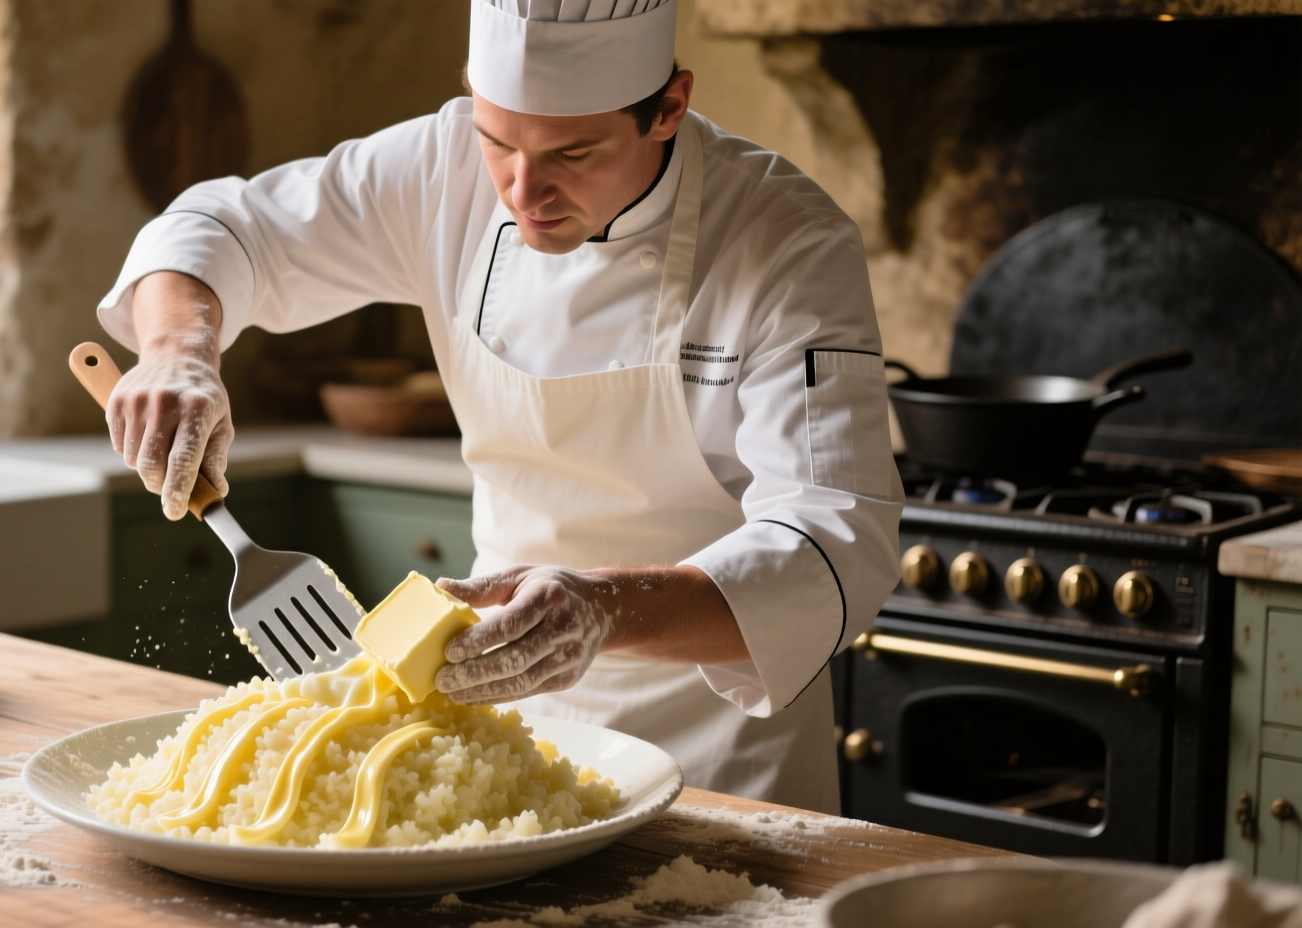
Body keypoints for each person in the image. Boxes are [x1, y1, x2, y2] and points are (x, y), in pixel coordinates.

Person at [96, 0, 903, 813]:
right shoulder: (438, 166)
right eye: (498, 141)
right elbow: (221, 226)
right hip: (498, 738)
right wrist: (178, 350)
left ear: (669, 107)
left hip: (722, 760)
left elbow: (837, 538)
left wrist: (602, 610)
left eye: (573, 153)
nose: (523, 191)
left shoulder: (788, 243)